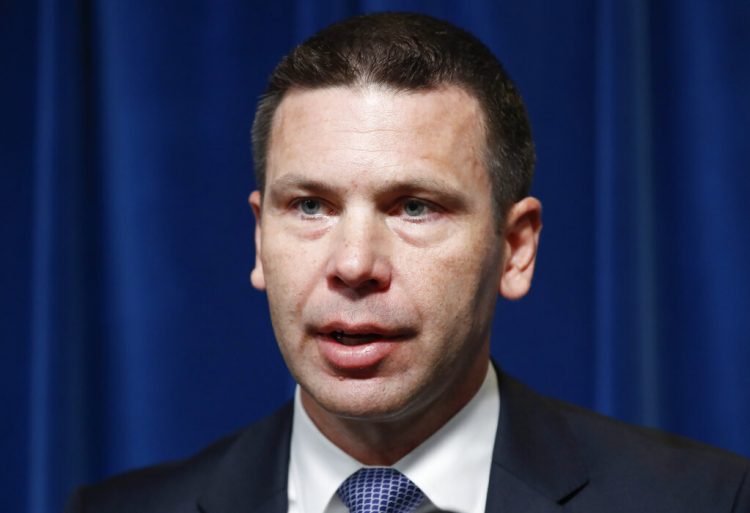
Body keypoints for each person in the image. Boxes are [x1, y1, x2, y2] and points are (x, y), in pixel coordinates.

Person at [65, 12, 749, 513]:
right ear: (258, 239)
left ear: (517, 249)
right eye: (309, 206)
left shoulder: (707, 500)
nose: (355, 263)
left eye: (414, 207)